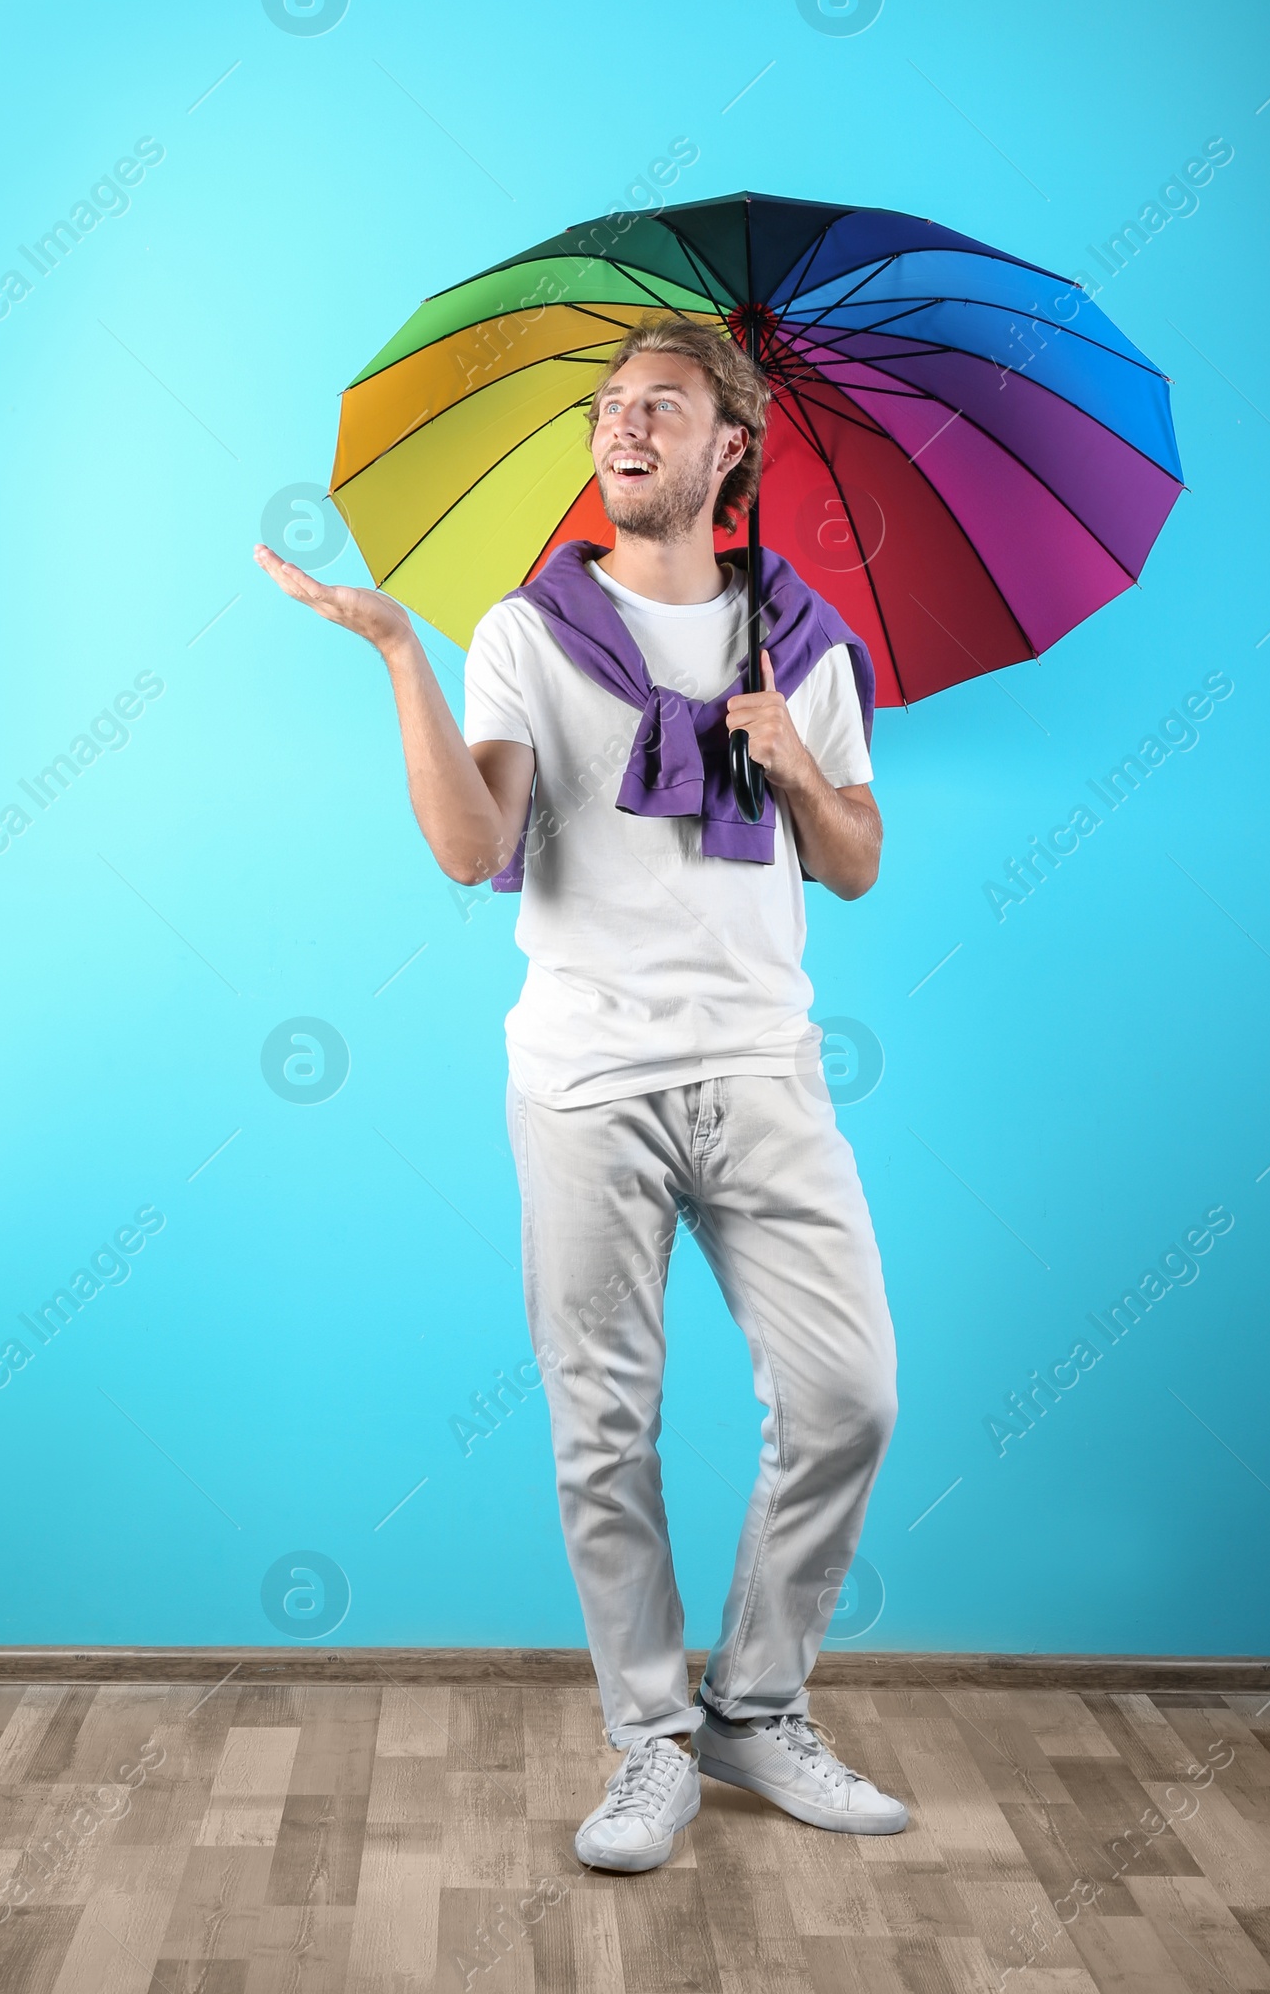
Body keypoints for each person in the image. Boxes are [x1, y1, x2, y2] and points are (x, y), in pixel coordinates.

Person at [255, 316, 907, 1874]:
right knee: (601, 1429)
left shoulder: (806, 645)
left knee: (847, 1398)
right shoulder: (526, 635)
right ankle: (649, 1744)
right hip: (584, 1077)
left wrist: (794, 762)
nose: (625, 430)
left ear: (727, 446)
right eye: (611, 410)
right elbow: (475, 845)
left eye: (661, 409)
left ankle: (758, 1706)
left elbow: (860, 860)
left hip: (763, 1065)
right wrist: (406, 658)